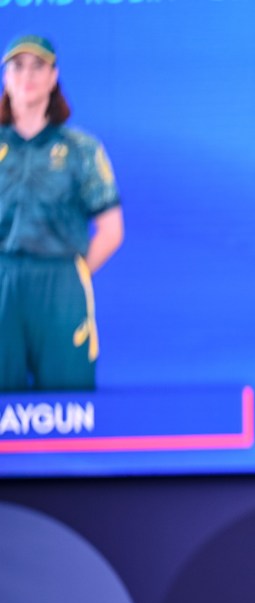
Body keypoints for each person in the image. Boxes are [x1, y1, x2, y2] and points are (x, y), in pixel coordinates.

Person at [0, 35, 123, 392]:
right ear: (5, 78)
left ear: (54, 76)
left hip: (61, 286)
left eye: (38, 66)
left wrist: (75, 274)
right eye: (18, 66)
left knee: (69, 407)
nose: (28, 76)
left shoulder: (80, 150)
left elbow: (111, 229)